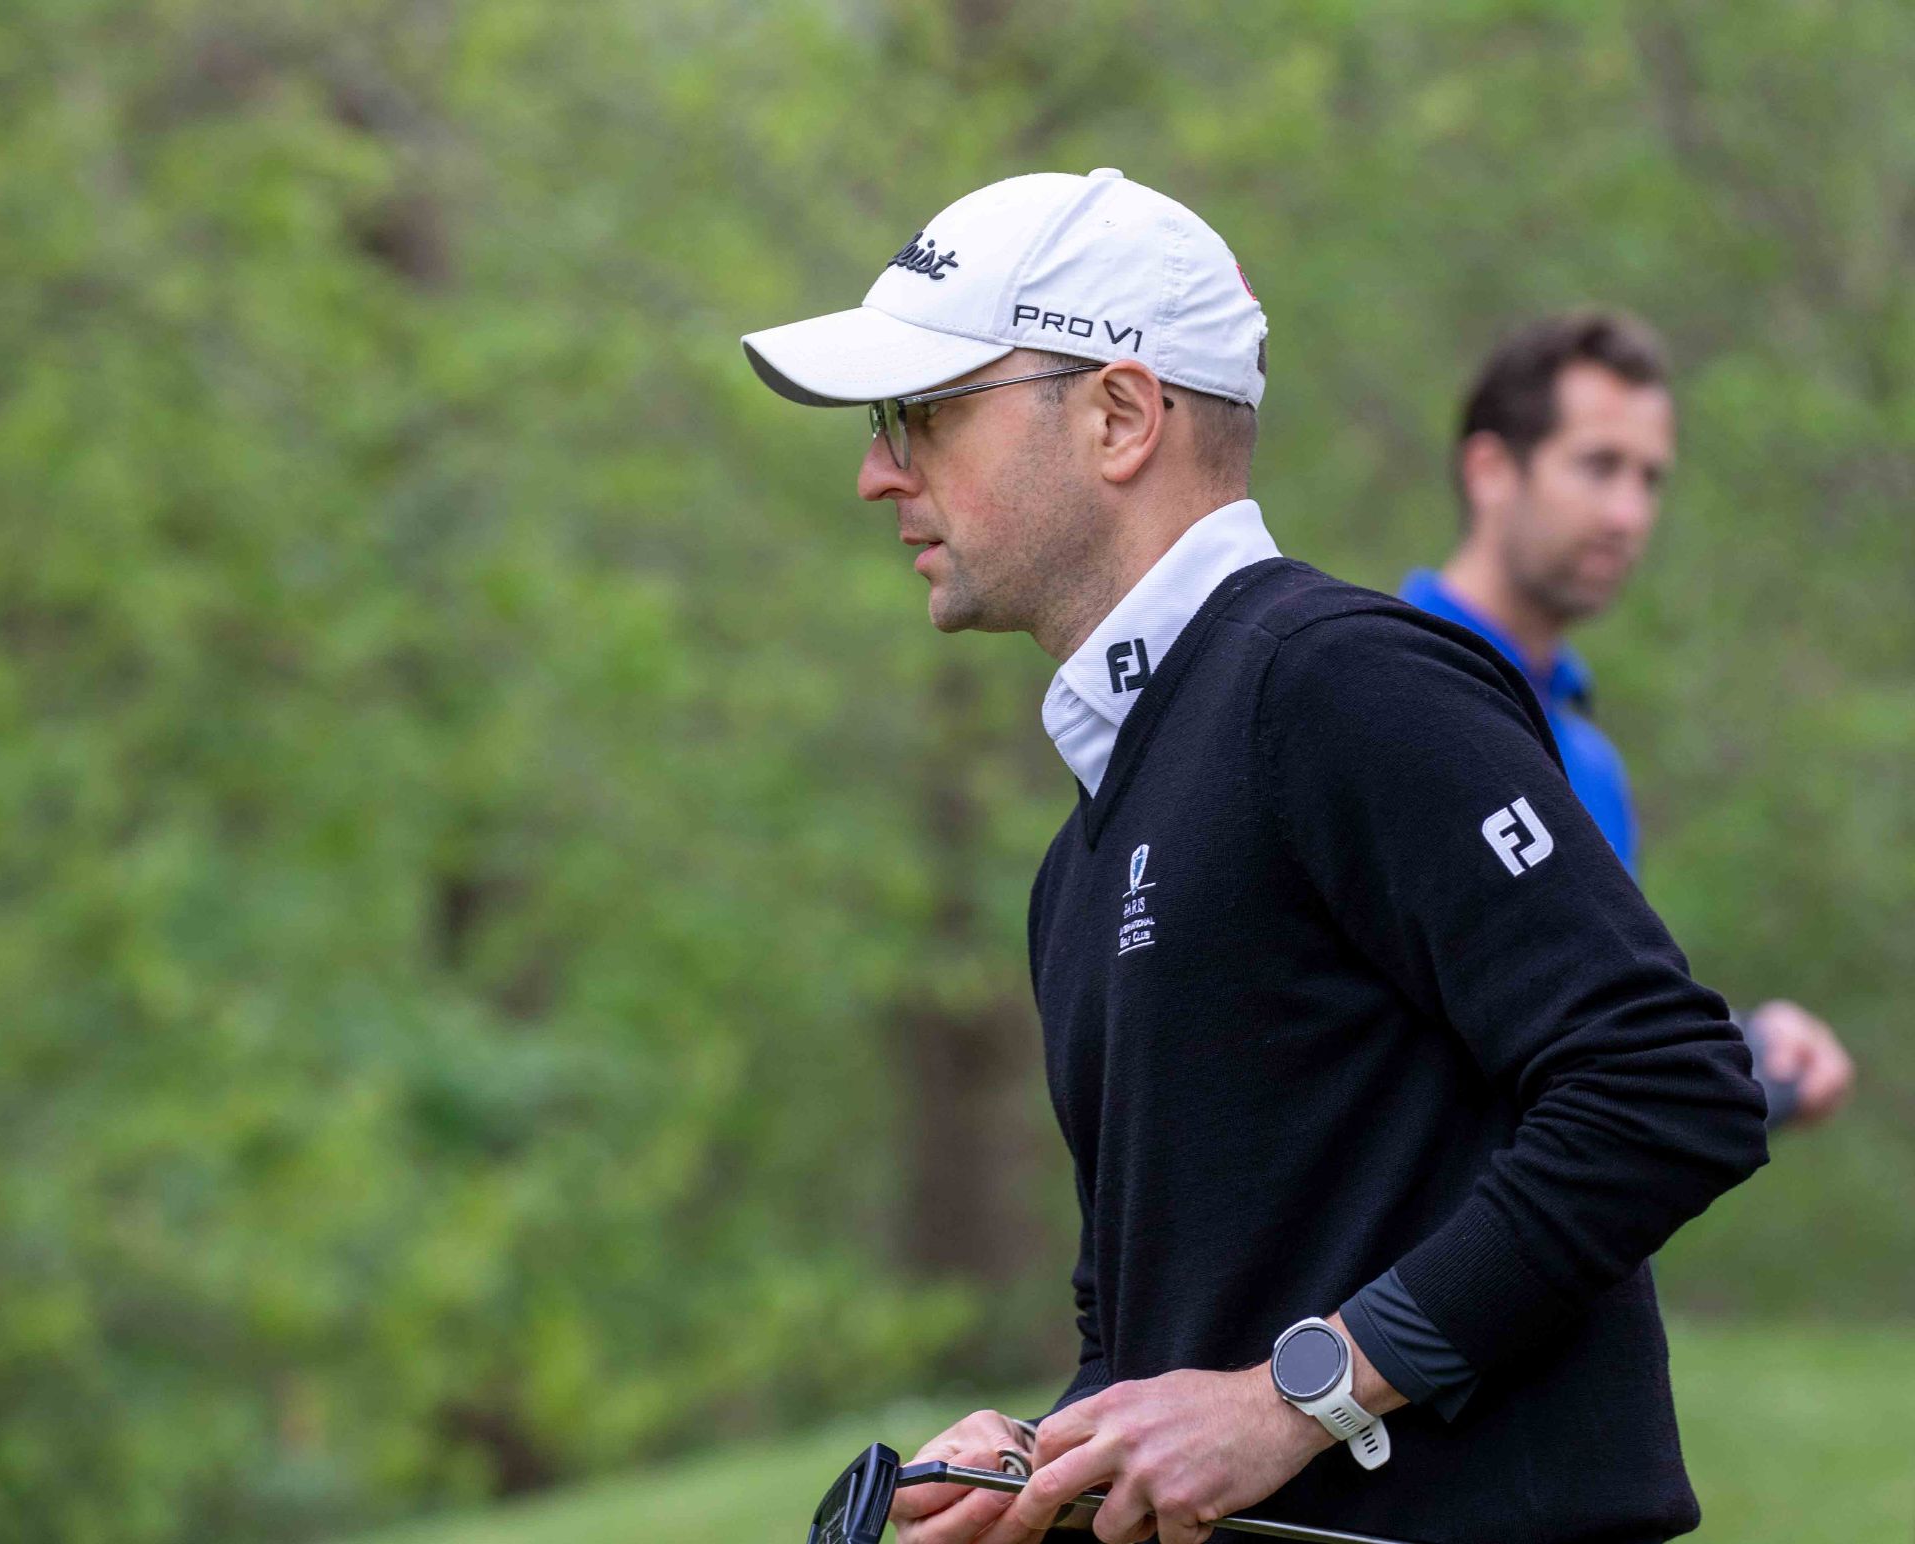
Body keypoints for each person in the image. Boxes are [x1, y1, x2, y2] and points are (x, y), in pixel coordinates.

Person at [741, 170, 1769, 1544]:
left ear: (1119, 416)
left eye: (921, 412)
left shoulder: (1339, 686)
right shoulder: (1080, 853)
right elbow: (1165, 1353)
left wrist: (1302, 1396)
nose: (880, 472)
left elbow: (1666, 1086)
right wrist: (1042, 1464)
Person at [1406, 312, 1854, 1130]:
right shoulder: (1372, 698)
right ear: (1490, 470)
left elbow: (1579, 1033)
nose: (1629, 514)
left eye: (1650, 479)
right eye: (1599, 466)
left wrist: (1748, 1049)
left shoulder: (1592, 764)